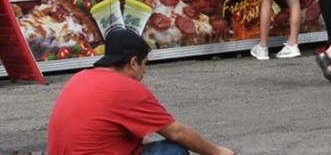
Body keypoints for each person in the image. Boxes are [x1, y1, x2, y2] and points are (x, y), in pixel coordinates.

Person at [47, 28, 234, 155]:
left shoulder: (81, 77)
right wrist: (217, 152)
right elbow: (177, 132)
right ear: (133, 62)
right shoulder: (125, 88)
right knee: (174, 150)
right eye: (145, 65)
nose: (144, 73)